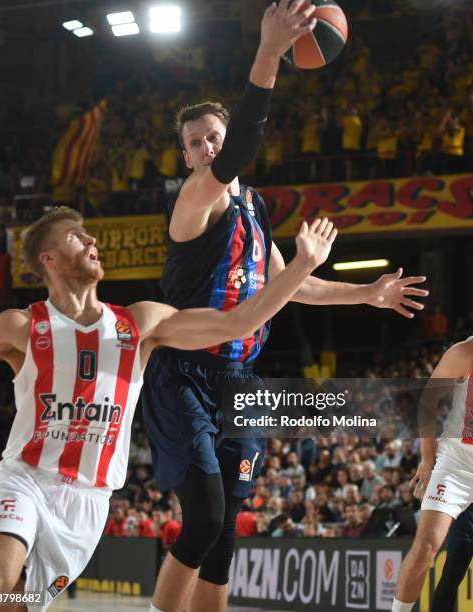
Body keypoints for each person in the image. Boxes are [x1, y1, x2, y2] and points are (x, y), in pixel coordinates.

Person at [142, 2, 429, 611]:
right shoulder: (195, 199)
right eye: (196, 143)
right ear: (189, 158)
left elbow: (293, 287)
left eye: (213, 136)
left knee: (223, 538)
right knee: (202, 520)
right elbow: (244, 143)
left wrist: (367, 294)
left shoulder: (256, 214)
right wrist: (268, 53)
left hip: (241, 381)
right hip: (186, 373)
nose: (206, 146)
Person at [0, 205, 336, 612]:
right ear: (48, 259)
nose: (91, 240)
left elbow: (236, 325)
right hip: (26, 479)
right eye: (75, 235)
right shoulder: (18, 326)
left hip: (88, 501)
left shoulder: (139, 322)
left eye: (88, 233)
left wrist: (303, 265)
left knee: (12, 604)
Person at [392, 337, 473, 612]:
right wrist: (427, 458)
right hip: (457, 467)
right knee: (425, 548)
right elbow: (428, 400)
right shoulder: (465, 352)